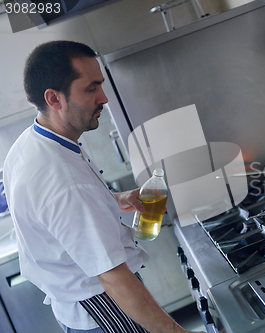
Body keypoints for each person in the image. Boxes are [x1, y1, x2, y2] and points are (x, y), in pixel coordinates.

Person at [3, 41, 204, 333]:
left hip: (76, 303)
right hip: (104, 309)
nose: (104, 98)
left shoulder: (32, 142)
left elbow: (56, 212)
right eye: (91, 88)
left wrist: (112, 199)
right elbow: (113, 277)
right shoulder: (66, 182)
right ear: (54, 98)